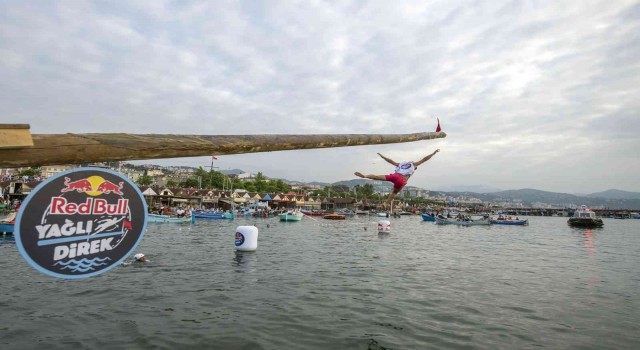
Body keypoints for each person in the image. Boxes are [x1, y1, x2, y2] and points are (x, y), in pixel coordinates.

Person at [355, 149, 440, 210]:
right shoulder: (414, 165)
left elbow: (390, 161)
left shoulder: (401, 164)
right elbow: (424, 159)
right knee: (394, 193)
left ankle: (365, 175)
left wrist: (382, 156)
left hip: (394, 176)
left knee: (377, 177)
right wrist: (433, 153)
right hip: (401, 180)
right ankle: (386, 203)